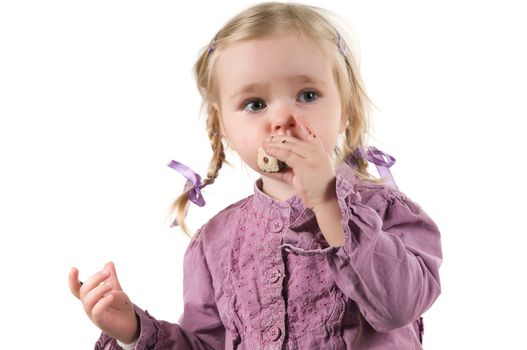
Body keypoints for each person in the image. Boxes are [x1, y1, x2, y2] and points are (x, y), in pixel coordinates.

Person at [69, 2, 442, 349]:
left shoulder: (386, 209)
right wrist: (134, 332)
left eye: (308, 95)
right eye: (255, 104)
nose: (282, 118)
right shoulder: (214, 242)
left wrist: (327, 200)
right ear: (223, 128)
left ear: (345, 110)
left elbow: (399, 306)